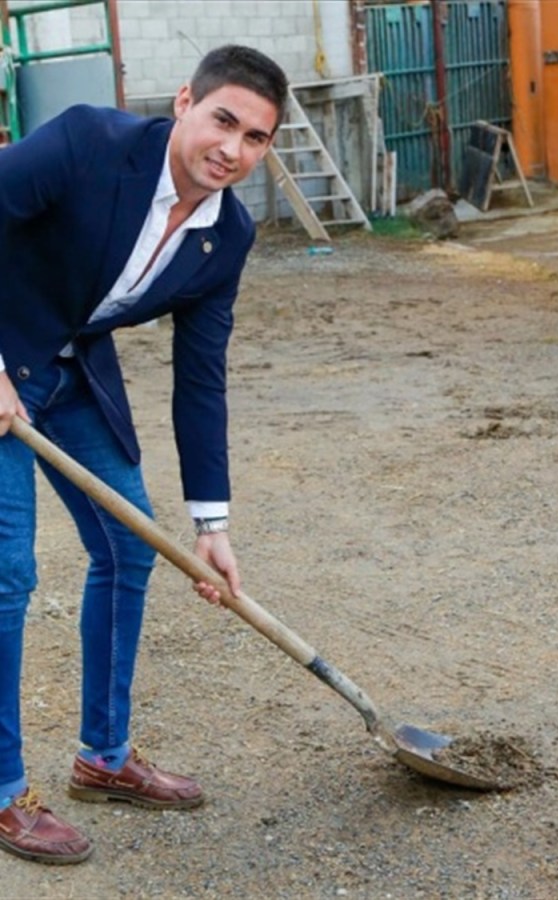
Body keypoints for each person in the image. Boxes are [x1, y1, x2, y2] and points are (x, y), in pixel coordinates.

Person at [0, 44, 288, 863]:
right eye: (223, 119)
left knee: (130, 548)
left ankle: (105, 756)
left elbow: (201, 379)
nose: (232, 148)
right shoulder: (89, 143)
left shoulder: (226, 236)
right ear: (185, 102)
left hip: (68, 368)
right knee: (7, 572)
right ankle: (0, 789)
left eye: (256, 138)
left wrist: (212, 522)